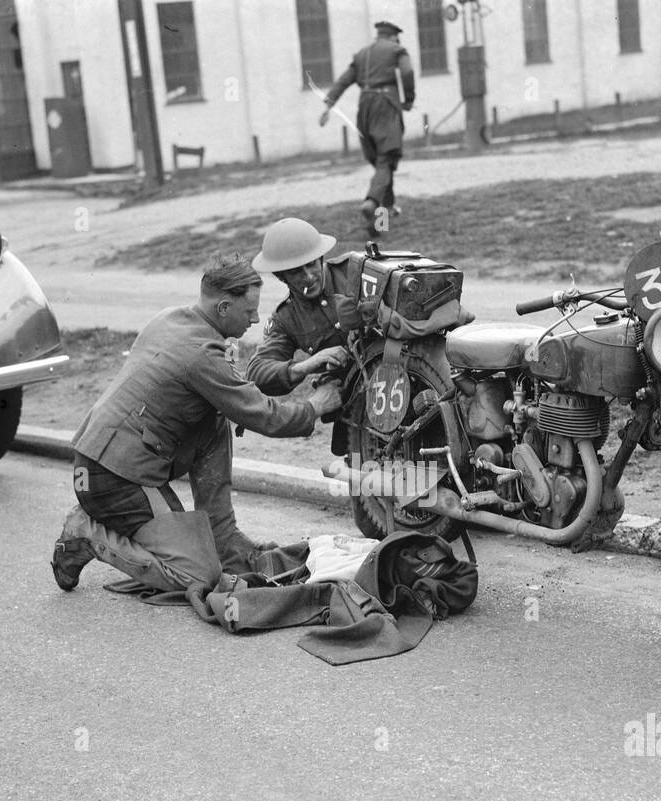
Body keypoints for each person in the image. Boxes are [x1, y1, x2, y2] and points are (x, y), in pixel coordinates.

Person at [50, 253, 343, 593]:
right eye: (249, 311)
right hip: (115, 477)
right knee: (198, 576)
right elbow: (263, 415)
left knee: (214, 416)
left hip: (106, 455)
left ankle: (223, 538)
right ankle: (85, 532)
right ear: (222, 308)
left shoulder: (172, 318)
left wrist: (299, 368)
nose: (255, 318)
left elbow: (233, 389)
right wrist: (315, 406)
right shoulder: (202, 354)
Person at [319, 19, 415, 236]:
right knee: (386, 161)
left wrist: (328, 104)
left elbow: (344, 80)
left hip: (364, 109)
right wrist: (408, 99)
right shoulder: (397, 50)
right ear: (393, 36)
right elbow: (407, 73)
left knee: (383, 165)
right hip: (387, 107)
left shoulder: (361, 54)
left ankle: (382, 220)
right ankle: (371, 202)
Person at [245, 217, 353, 396]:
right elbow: (257, 373)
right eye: (296, 271)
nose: (309, 277)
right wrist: (306, 366)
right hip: (354, 397)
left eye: (311, 264)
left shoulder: (354, 271)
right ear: (281, 277)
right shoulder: (286, 318)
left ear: (320, 259)